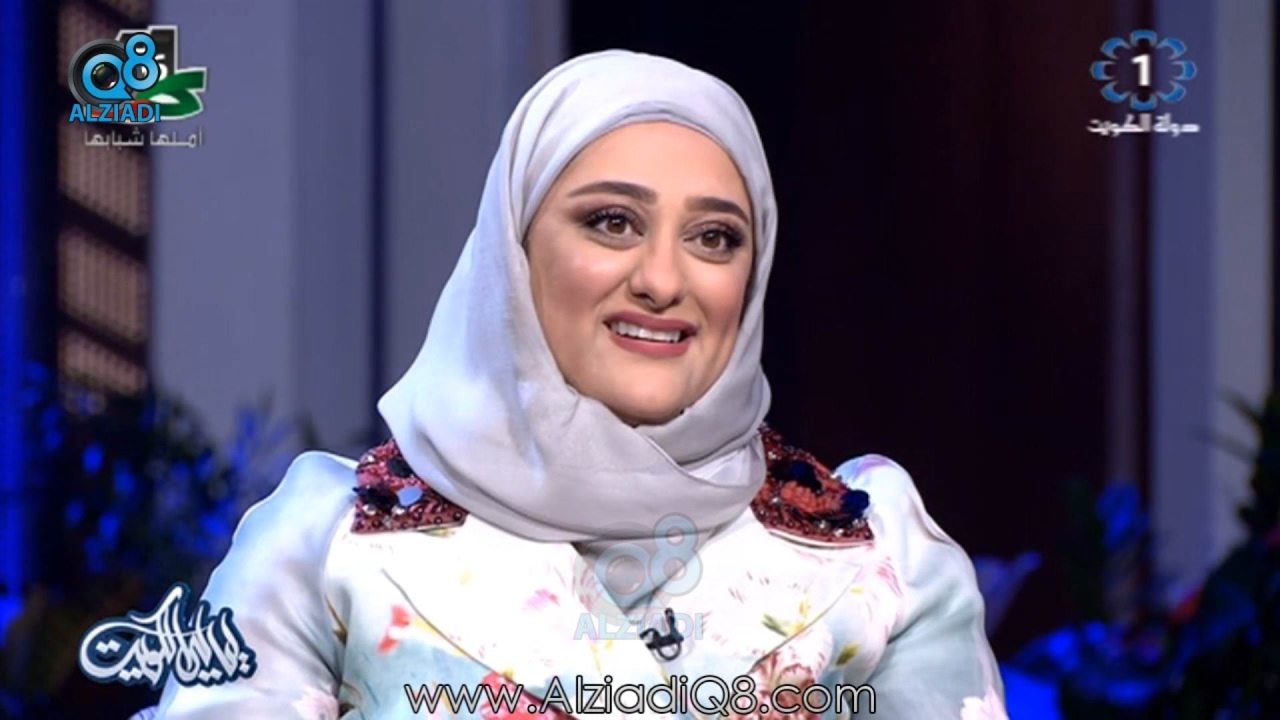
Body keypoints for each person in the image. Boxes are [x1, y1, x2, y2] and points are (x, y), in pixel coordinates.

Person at [155, 50, 1007, 719]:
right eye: (612, 222)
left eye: (715, 238)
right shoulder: (327, 546)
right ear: (515, 248)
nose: (663, 280)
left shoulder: (872, 554)